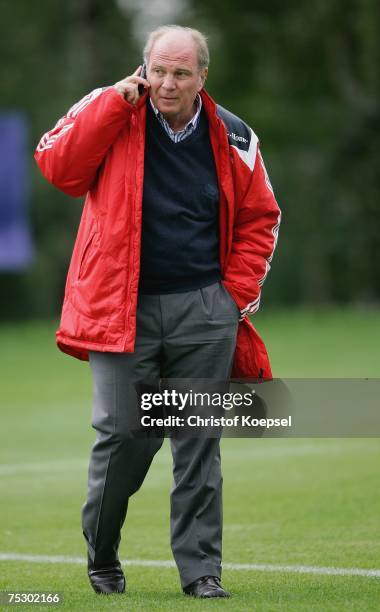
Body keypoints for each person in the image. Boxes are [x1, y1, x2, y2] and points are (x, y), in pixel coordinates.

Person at [34, 24, 281, 598]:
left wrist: (231, 298)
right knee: (124, 435)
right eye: (158, 70)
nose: (166, 84)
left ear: (201, 77)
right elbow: (58, 169)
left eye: (180, 73)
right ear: (143, 68)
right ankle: (102, 550)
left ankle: (201, 572)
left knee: (198, 445)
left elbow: (261, 217)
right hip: (122, 310)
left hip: (205, 309)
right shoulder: (108, 110)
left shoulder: (233, 134)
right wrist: (111, 105)